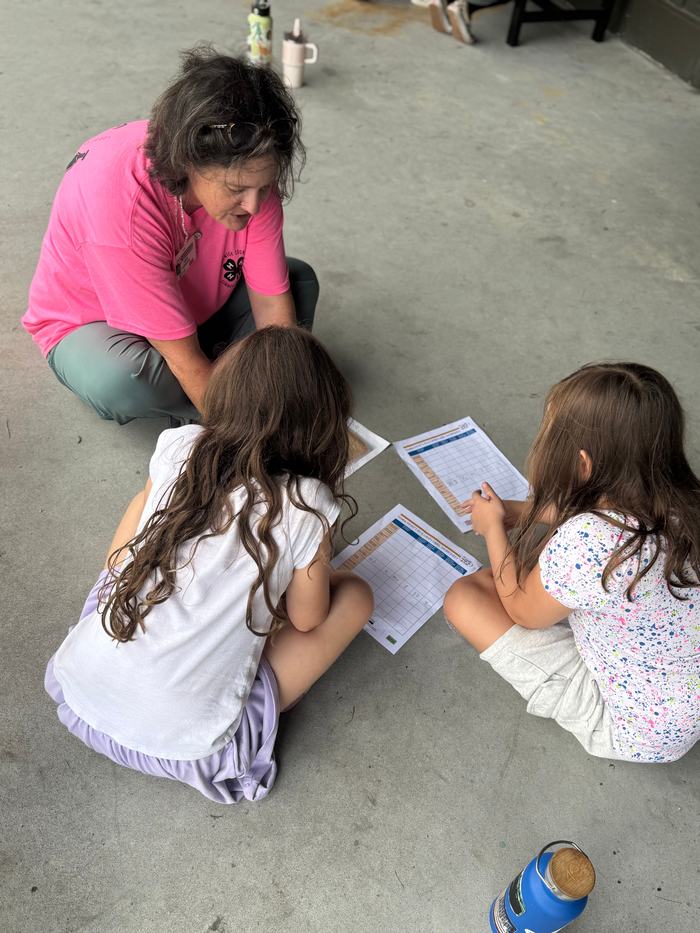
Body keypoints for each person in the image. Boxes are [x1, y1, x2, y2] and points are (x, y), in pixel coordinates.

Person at [45, 327, 374, 803]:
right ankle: (260, 706)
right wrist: (316, 571)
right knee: (357, 596)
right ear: (322, 424)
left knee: (136, 578)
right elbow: (307, 619)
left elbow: (119, 559)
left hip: (80, 690)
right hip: (190, 747)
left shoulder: (178, 446)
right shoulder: (309, 505)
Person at [22, 47, 317, 424]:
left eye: (265, 187)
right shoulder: (119, 201)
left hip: (191, 305)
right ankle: (225, 381)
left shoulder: (252, 170)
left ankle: (226, 375)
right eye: (237, 190)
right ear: (188, 163)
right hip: (98, 325)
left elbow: (273, 311)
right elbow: (183, 357)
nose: (255, 206)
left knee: (298, 283)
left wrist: (282, 391)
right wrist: (251, 440)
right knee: (124, 380)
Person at [444, 362, 700, 763]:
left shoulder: (589, 540)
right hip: (682, 700)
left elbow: (523, 611)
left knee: (469, 595)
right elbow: (621, 514)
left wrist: (494, 530)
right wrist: (526, 510)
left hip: (633, 728)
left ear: (582, 463)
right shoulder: (686, 503)